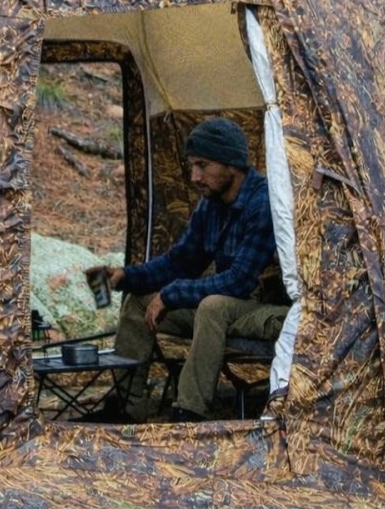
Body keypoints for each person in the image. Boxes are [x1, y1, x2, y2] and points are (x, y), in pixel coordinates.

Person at [85, 117, 286, 423]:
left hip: (268, 309)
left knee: (213, 306)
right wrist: (128, 276)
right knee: (138, 301)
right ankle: (126, 407)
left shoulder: (262, 203)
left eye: (202, 165)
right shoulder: (211, 204)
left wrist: (172, 294)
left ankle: (189, 413)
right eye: (192, 166)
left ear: (231, 164)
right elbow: (180, 262)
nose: (194, 176)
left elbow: (241, 281)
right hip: (230, 306)